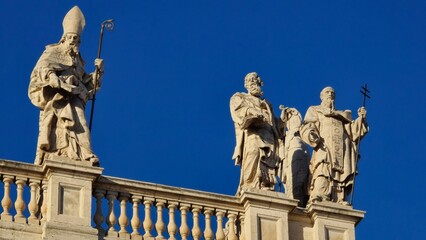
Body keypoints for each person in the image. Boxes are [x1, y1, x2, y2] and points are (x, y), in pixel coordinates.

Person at [28, 6, 103, 165]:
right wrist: (53, 77)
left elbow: (88, 85)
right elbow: (43, 67)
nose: (73, 42)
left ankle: (85, 153)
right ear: (64, 38)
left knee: (81, 121)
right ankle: (68, 153)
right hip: (57, 96)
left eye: (76, 39)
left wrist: (98, 71)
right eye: (71, 38)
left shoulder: (78, 62)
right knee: (58, 127)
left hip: (74, 95)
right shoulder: (52, 52)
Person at [300, 87, 368, 205]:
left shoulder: (342, 115)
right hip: (324, 145)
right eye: (327, 92)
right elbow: (307, 125)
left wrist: (361, 119)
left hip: (342, 148)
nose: (330, 94)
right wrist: (311, 134)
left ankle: (339, 198)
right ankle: (320, 194)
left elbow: (352, 132)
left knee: (341, 172)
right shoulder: (315, 110)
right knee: (322, 168)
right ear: (321, 96)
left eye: (332, 93)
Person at [230, 72, 285, 194]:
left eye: (255, 81)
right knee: (253, 154)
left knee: (269, 159)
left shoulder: (267, 104)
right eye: (250, 81)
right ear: (246, 84)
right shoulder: (239, 97)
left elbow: (274, 123)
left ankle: (265, 184)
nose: (253, 83)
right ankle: (250, 184)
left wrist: (284, 119)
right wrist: (252, 111)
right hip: (253, 132)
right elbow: (237, 111)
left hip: (269, 135)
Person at [280, 107, 310, 207]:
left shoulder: (304, 137)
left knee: (303, 183)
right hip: (292, 162)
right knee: (295, 184)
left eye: (296, 118)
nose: (294, 120)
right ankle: (296, 204)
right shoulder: (286, 136)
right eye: (291, 118)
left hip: (303, 160)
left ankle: (301, 203)